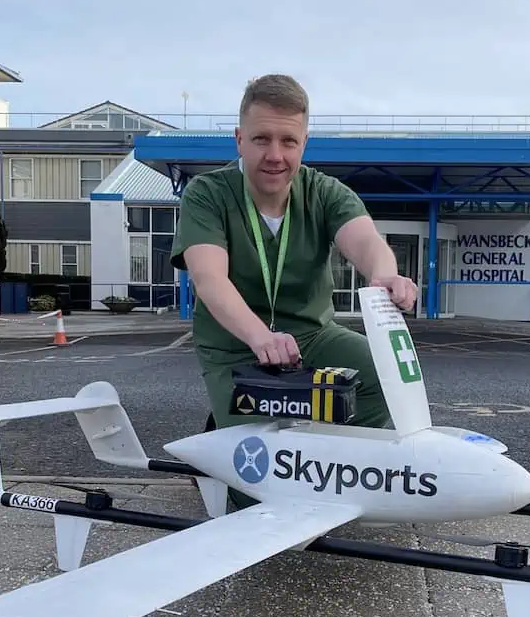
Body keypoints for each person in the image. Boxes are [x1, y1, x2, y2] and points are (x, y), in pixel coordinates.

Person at [169, 73, 418, 442]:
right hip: (235, 346)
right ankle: (238, 447)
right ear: (239, 140)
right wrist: (260, 337)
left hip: (312, 336)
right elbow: (209, 278)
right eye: (261, 139)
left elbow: (365, 240)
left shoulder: (324, 191)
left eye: (288, 141)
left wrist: (384, 275)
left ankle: (330, 464)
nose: (275, 155)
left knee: (388, 379)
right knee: (254, 466)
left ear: (304, 143)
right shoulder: (208, 194)